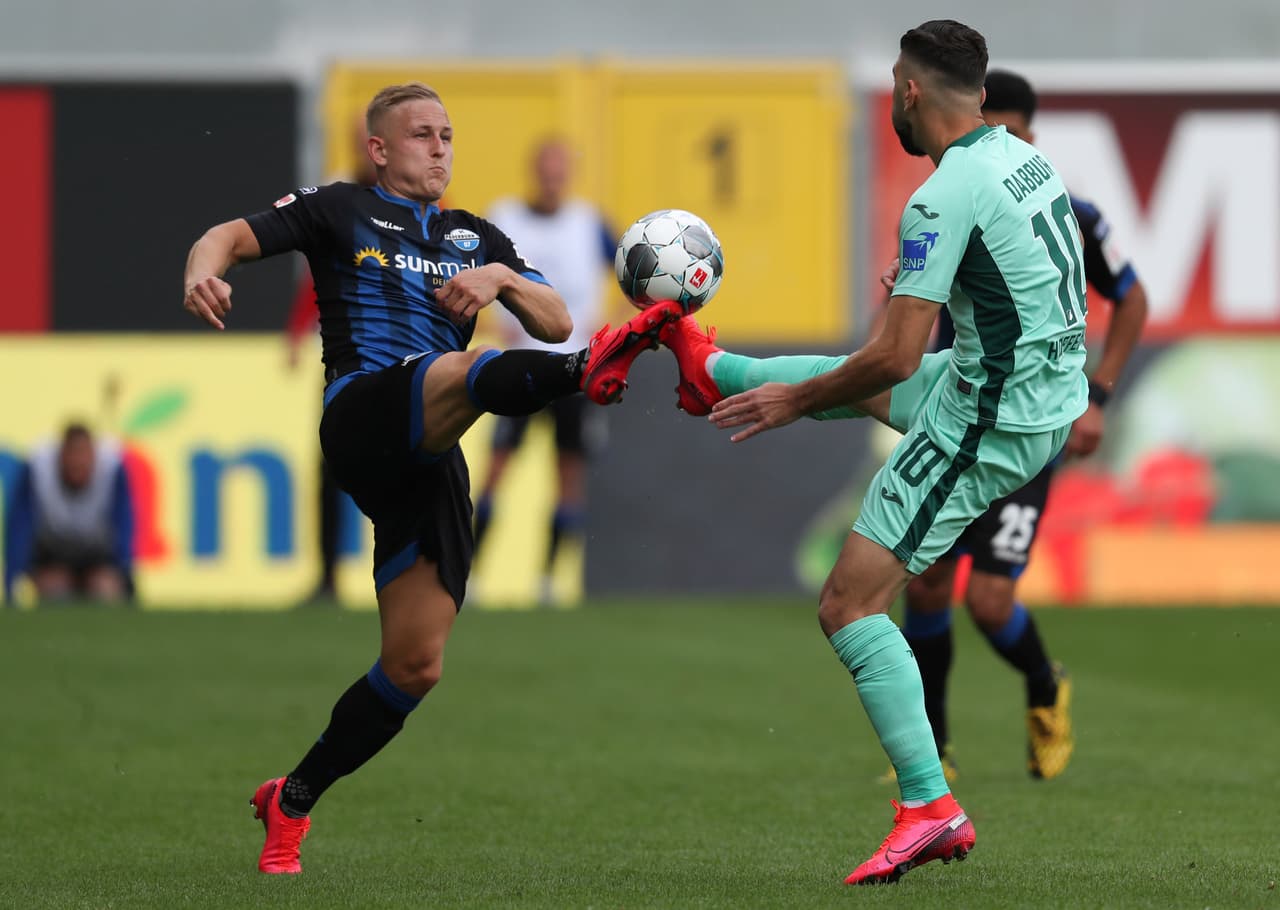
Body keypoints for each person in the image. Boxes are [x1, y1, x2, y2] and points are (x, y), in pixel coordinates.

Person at [182, 81, 681, 875]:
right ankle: (593, 369)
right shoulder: (339, 207)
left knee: (415, 666)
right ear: (379, 148)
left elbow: (554, 319)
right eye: (422, 134)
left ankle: (293, 798)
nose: (440, 147)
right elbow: (225, 237)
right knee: (459, 368)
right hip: (364, 412)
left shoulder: (474, 235)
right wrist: (200, 271)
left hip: (430, 453)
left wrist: (502, 279)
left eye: (447, 134)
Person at [656, 20, 1086, 883]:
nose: (893, 94)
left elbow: (889, 356)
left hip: (992, 418)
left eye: (895, 81)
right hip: (1021, 387)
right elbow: (999, 292)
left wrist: (793, 403)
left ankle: (930, 808)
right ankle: (711, 367)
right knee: (855, 379)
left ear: (911, 91)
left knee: (849, 604)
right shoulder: (1021, 159)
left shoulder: (941, 194)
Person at [894, 68, 1150, 782]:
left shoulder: (1066, 209)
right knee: (925, 583)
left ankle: (1044, 685)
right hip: (959, 416)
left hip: (1028, 425)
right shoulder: (953, 198)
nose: (989, 143)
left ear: (1031, 134)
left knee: (989, 599)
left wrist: (1099, 395)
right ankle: (932, 752)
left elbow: (1131, 300)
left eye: (1005, 132)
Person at [474, 138, 617, 603]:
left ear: (568, 175)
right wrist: (489, 323)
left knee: (568, 474)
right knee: (496, 470)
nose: (552, 179)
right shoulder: (505, 218)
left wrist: (610, 327)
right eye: (546, 170)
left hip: (574, 368)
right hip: (517, 365)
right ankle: (470, 574)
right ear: (534, 171)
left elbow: (630, 276)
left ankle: (550, 580)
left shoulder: (589, 223)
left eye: (560, 171)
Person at [4, 422, 134, 604]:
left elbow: (123, 526)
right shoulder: (39, 468)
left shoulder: (111, 469)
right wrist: (11, 583)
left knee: (104, 590)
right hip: (52, 555)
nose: (78, 461)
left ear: (93, 456)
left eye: (83, 455)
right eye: (72, 454)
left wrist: (126, 578)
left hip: (98, 555)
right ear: (61, 455)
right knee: (56, 592)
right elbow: (20, 527)